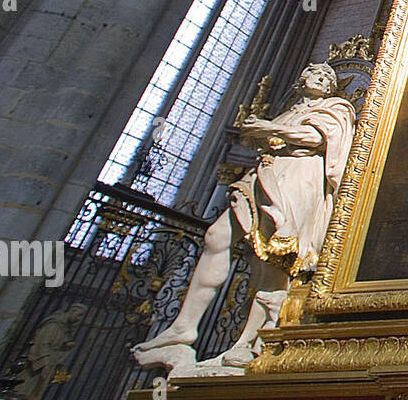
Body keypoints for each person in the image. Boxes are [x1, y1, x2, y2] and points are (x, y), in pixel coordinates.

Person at [134, 63, 355, 370]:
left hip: (296, 181)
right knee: (216, 236)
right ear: (301, 79)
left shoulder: (337, 107)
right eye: (316, 73)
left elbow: (317, 139)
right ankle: (183, 328)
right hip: (263, 174)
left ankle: (251, 343)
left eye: (328, 78)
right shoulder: (286, 111)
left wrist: (269, 130)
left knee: (275, 259)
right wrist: (263, 132)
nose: (322, 79)